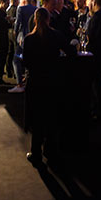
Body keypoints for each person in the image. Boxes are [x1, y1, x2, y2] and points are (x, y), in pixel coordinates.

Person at [23, 8, 76, 166]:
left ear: (35, 20)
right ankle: (51, 151)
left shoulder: (29, 39)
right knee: (52, 118)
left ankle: (36, 152)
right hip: (53, 81)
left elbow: (26, 62)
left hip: (35, 82)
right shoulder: (56, 35)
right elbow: (70, 51)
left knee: (37, 118)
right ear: (48, 19)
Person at [11, 0, 37, 93]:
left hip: (23, 36)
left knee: (16, 59)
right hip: (33, 36)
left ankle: (19, 83)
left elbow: (18, 22)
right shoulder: (36, 9)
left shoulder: (21, 9)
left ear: (25, 1)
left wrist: (15, 32)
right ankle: (27, 81)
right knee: (29, 59)